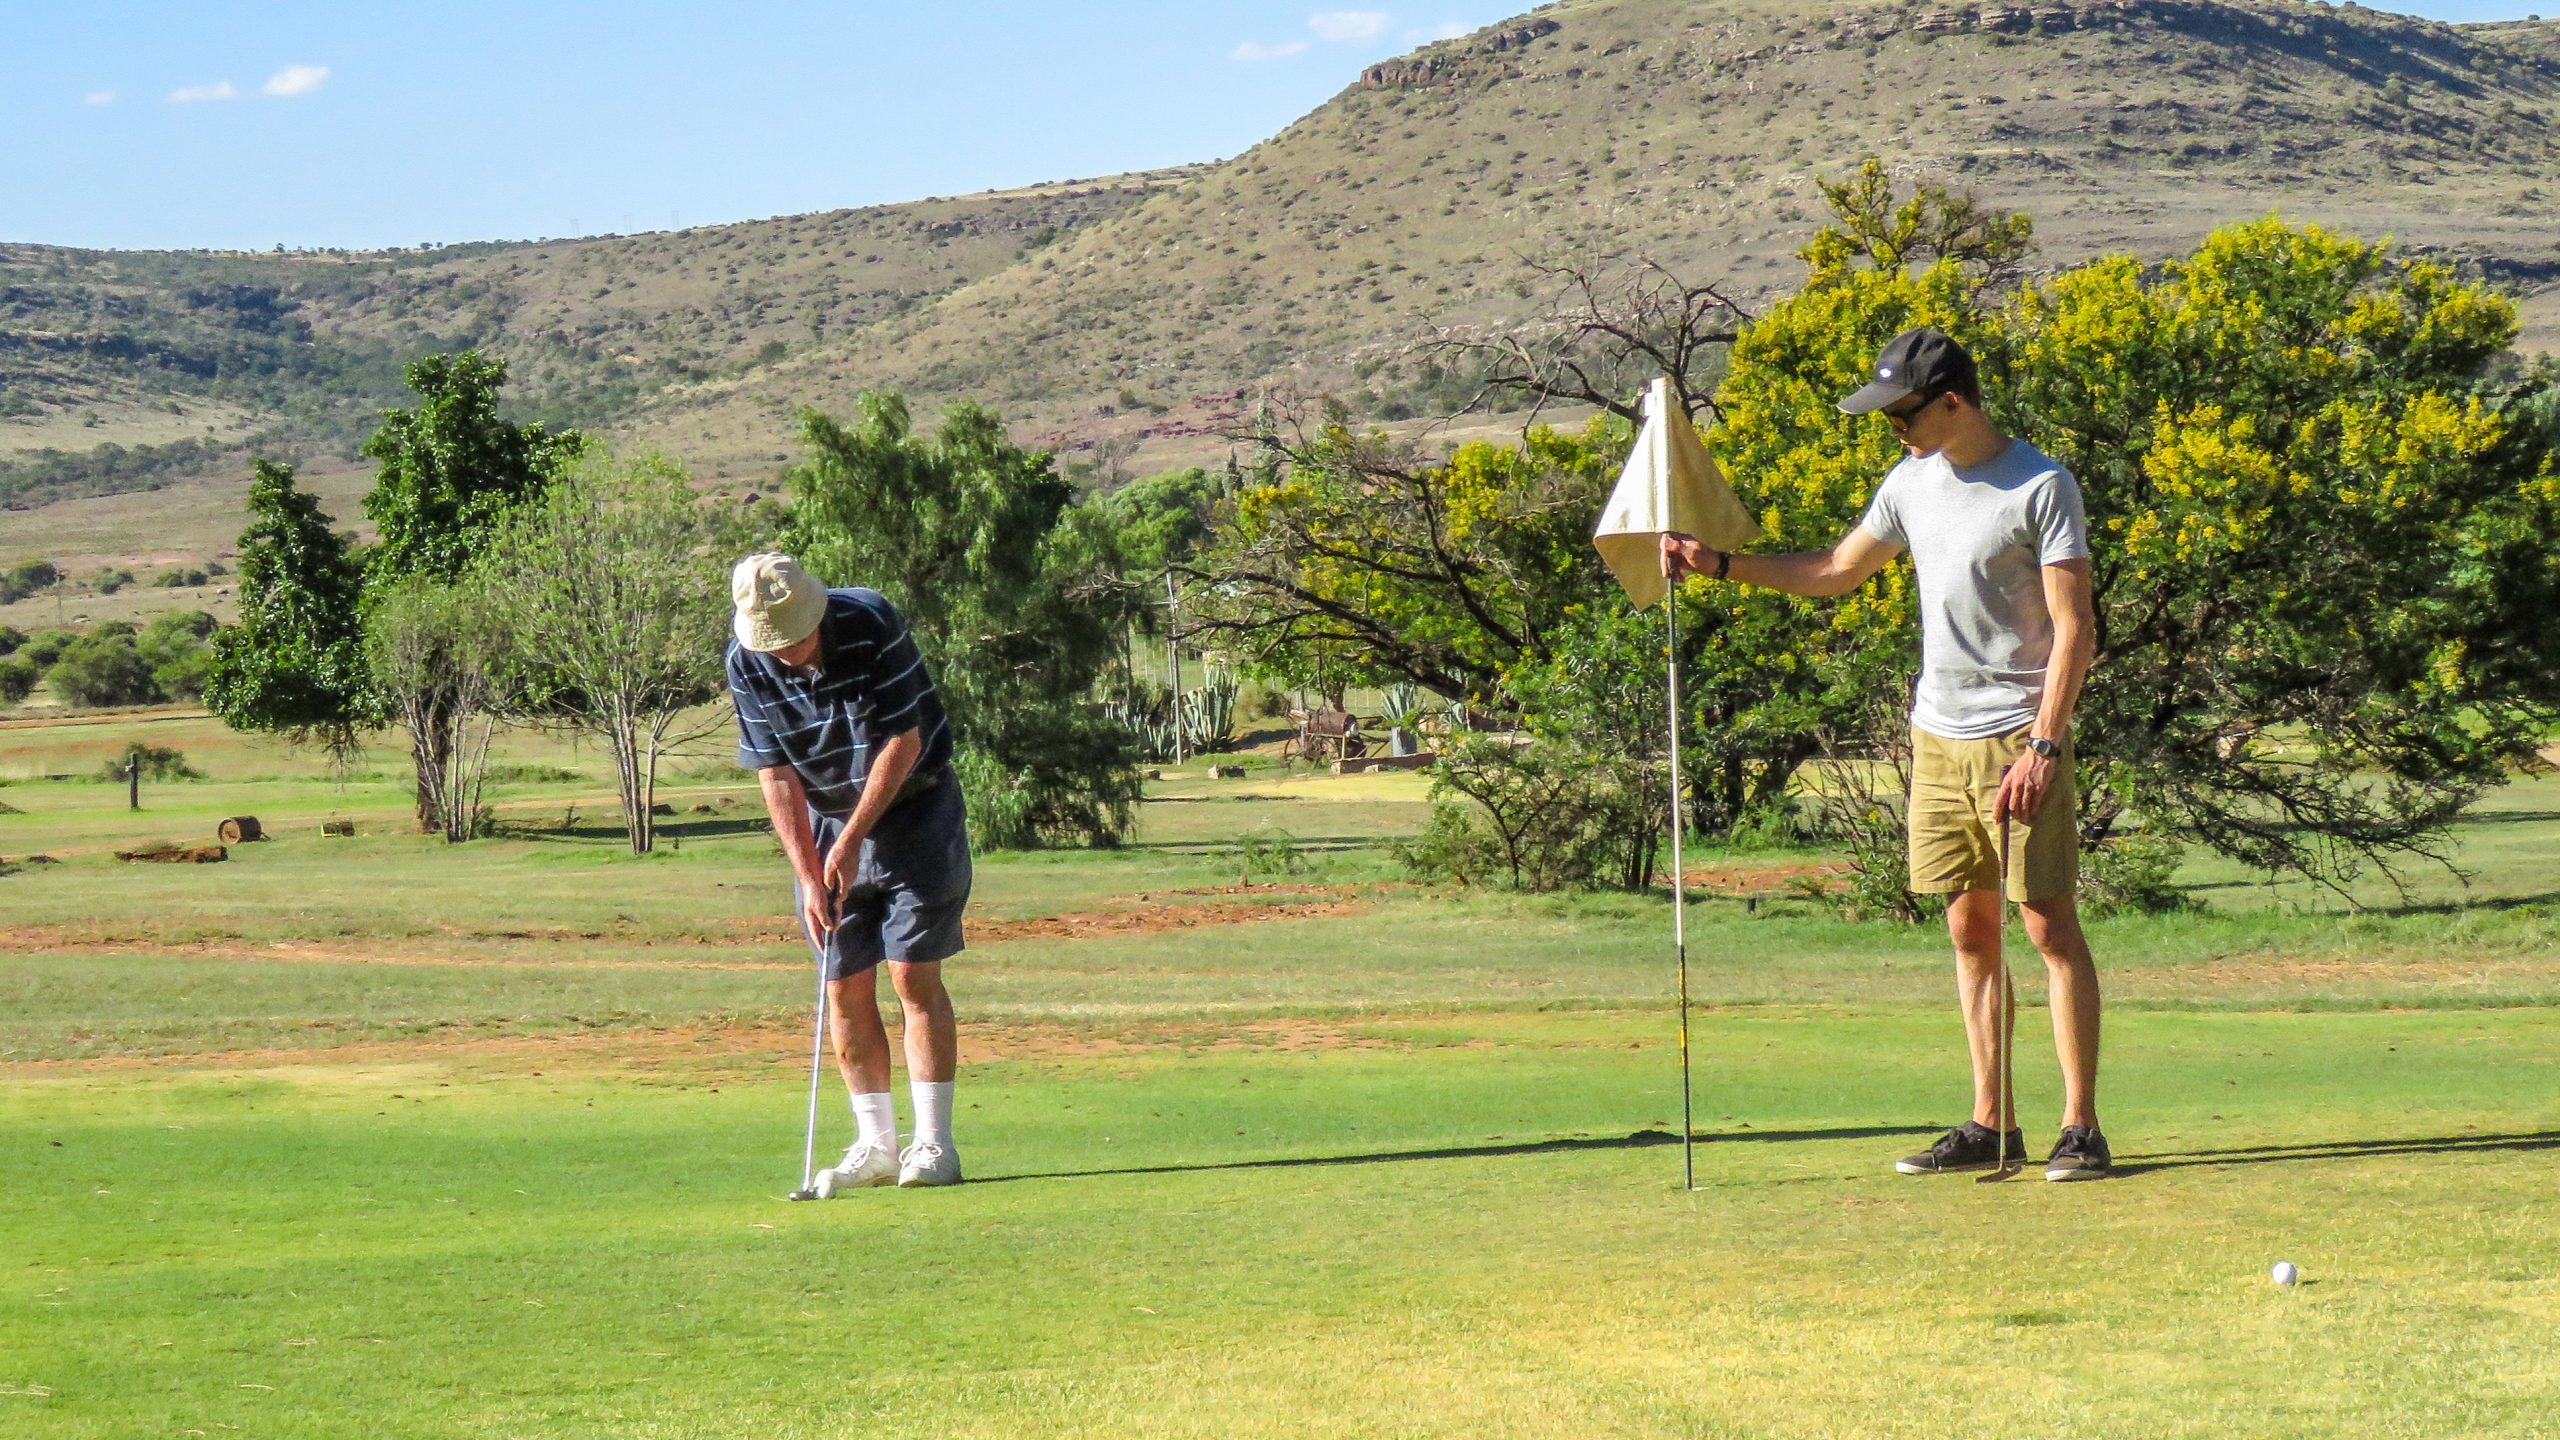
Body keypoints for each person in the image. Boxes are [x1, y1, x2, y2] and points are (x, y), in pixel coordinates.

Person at [1661, 327, 2111, 1182]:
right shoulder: (1909, 483)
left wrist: (2045, 745)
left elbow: (2075, 627)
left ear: (1953, 401)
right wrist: (1718, 565)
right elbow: (1838, 570)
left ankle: (2080, 1127)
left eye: (1902, 413)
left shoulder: (2042, 486)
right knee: (1968, 929)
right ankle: (1992, 1123)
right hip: (1937, 735)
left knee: (2048, 926)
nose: (1892, 429)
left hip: (2019, 737)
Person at [727, 553, 972, 1189]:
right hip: (825, 822)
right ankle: (876, 1145)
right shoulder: (746, 660)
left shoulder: (870, 620)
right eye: (771, 642)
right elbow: (775, 773)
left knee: (912, 972)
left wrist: (852, 839)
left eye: (792, 638)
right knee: (843, 983)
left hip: (916, 808)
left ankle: (933, 1146)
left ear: (816, 611)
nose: (784, 654)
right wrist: (810, 873)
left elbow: (903, 742)